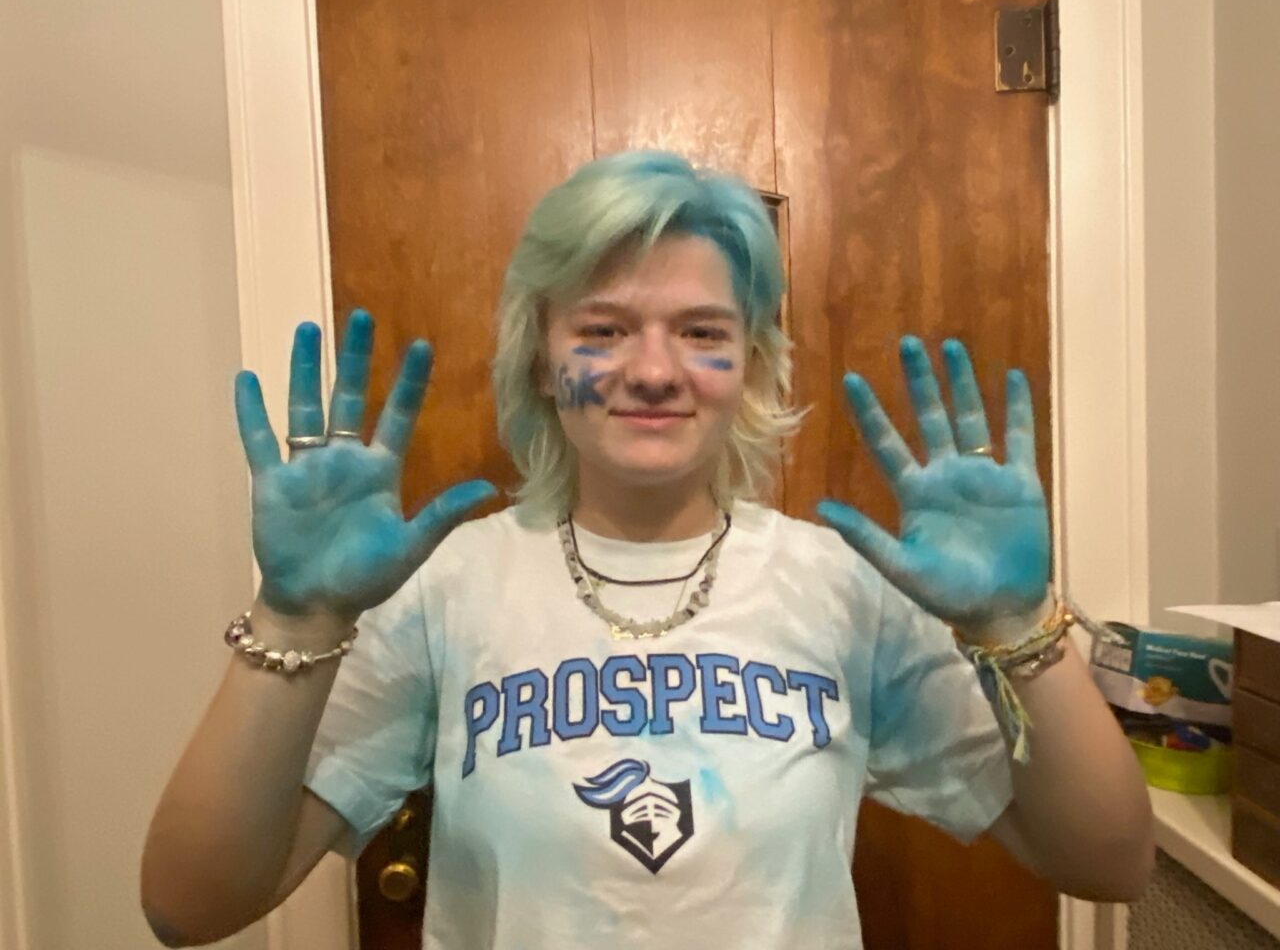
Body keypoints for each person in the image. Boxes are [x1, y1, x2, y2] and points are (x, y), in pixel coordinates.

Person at [141, 151, 1154, 948]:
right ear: (539, 358)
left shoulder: (842, 587)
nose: (656, 370)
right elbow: (190, 906)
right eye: (604, 329)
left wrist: (1018, 625)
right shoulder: (448, 587)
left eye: (702, 332)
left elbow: (1109, 864)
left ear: (749, 362)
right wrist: (298, 618)